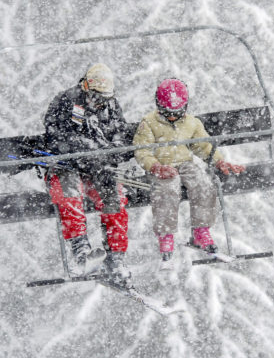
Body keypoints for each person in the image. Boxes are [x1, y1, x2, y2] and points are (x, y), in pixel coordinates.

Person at [132, 78, 245, 263]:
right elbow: (142, 150)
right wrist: (154, 166)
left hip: (185, 163)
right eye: (167, 113)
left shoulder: (192, 123)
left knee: (203, 184)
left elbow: (203, 146)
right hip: (162, 167)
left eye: (177, 114)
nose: (171, 118)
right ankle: (165, 234)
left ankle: (201, 231)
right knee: (167, 190)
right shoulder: (149, 123)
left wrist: (218, 161)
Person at [44, 63, 132, 285]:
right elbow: (56, 133)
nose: (98, 102)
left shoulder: (111, 107)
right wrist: (83, 150)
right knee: (68, 193)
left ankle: (116, 256)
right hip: (68, 165)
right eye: (95, 96)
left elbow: (120, 131)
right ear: (85, 86)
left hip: (99, 168)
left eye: (104, 98)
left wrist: (113, 152)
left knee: (114, 197)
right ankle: (80, 250)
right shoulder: (66, 101)